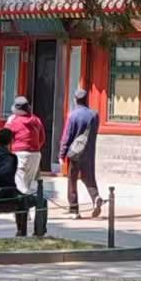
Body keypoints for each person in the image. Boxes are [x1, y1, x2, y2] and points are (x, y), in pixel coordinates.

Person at [59, 88, 102, 219]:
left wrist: (62, 154)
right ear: (86, 99)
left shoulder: (73, 115)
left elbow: (67, 136)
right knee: (89, 177)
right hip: (89, 152)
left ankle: (74, 210)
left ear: (75, 100)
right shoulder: (94, 115)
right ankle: (96, 198)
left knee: (72, 180)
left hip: (75, 152)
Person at [0, 127, 33, 236]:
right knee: (37, 201)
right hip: (3, 195)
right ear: (11, 141)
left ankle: (20, 230)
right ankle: (30, 231)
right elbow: (4, 175)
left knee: (20, 197)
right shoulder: (9, 158)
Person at [4, 96, 47, 198]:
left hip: (20, 155)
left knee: (20, 185)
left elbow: (4, 137)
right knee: (26, 184)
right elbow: (42, 138)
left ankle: (21, 210)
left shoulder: (14, 121)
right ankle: (24, 212)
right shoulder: (36, 120)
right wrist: (33, 147)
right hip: (35, 155)